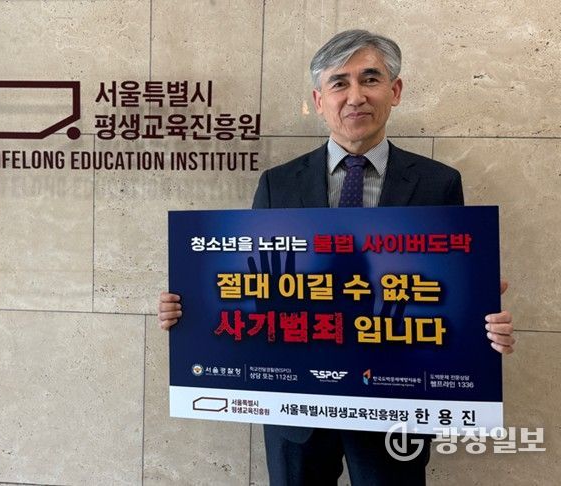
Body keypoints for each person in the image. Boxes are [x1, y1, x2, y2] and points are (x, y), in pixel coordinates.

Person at [158, 29, 515, 486]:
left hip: (394, 400)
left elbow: (447, 291)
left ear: (395, 90)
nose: (355, 96)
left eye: (370, 79)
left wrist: (482, 323)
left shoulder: (438, 182)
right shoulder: (277, 184)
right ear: (319, 99)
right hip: (295, 403)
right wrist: (192, 309)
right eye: (339, 83)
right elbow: (251, 281)